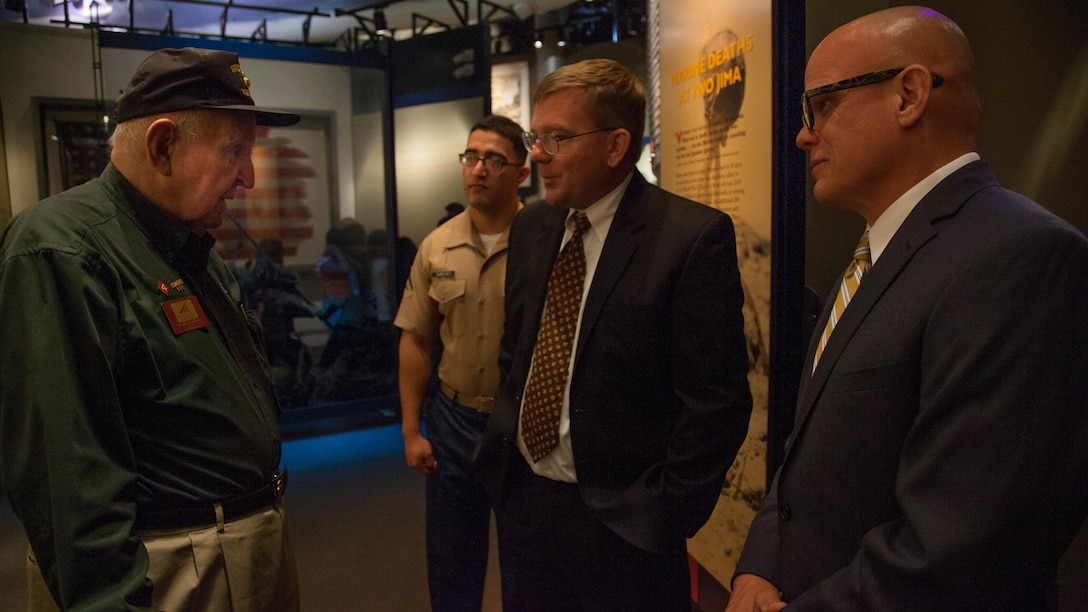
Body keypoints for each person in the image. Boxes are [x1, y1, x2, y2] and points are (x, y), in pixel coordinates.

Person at [726, 7, 1088, 611]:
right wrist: (759, 568)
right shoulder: (883, 250)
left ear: (909, 95)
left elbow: (967, 544)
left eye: (821, 105)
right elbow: (809, 457)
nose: (803, 133)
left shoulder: (1021, 257)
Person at [0, 47, 302, 611]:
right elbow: (68, 481)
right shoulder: (61, 251)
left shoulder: (186, 246)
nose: (249, 178)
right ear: (163, 145)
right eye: (234, 151)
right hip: (167, 573)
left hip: (236, 555)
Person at [474, 59, 753, 610]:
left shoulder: (689, 239)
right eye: (536, 136)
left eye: (556, 138)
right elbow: (518, 355)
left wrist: (662, 513)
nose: (537, 155)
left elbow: (716, 404)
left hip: (626, 528)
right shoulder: (532, 226)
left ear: (616, 145)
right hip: (526, 504)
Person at [395, 114, 529, 611]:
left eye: (495, 160)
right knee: (453, 559)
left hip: (519, 420)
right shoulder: (437, 245)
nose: (479, 169)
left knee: (528, 562)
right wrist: (412, 431)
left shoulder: (543, 241)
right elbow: (416, 340)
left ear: (521, 172)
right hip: (452, 421)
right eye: (471, 157)